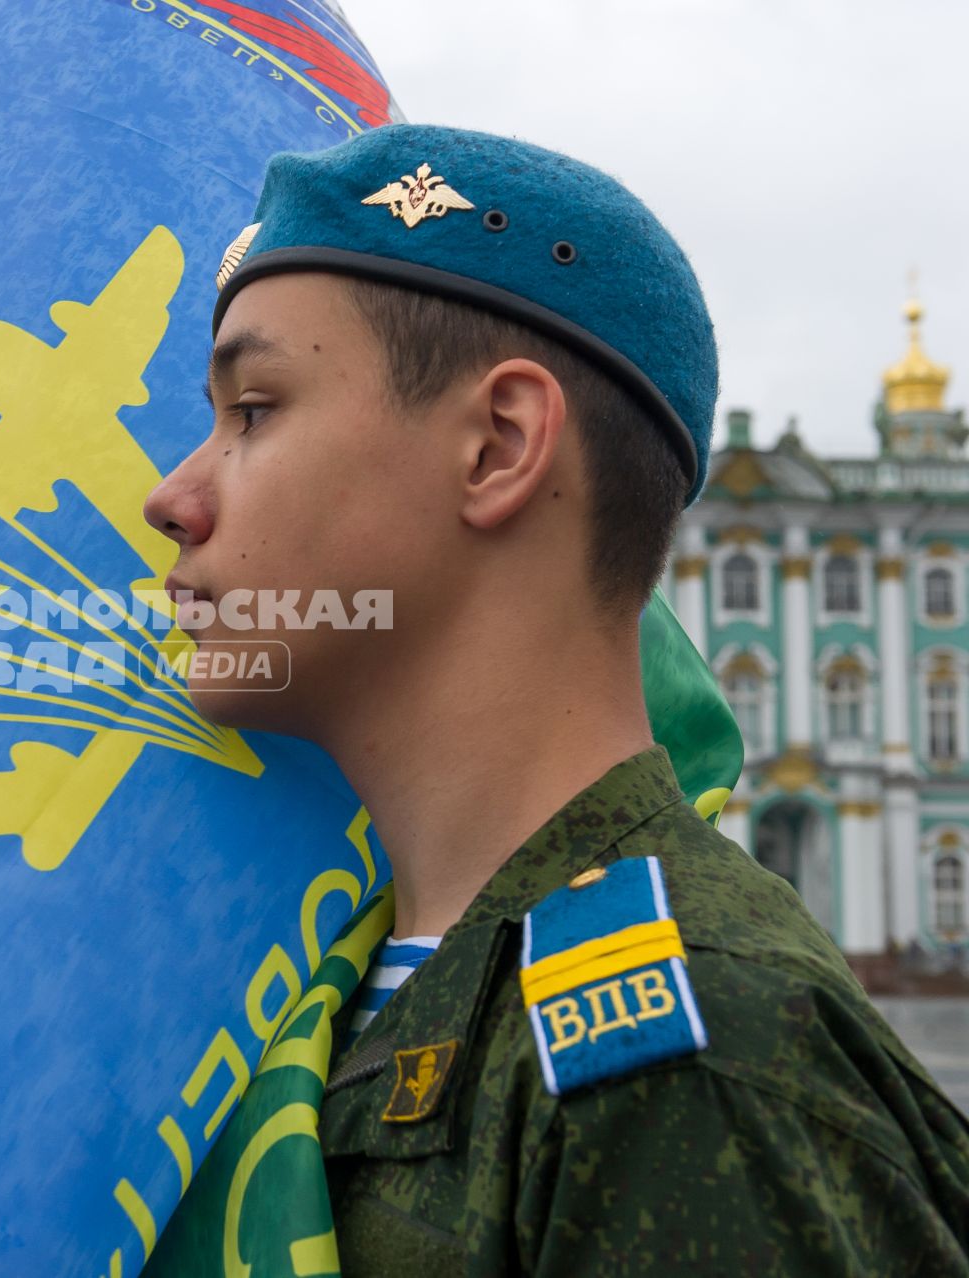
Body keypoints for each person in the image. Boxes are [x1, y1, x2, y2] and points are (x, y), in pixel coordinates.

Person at [142, 124, 969, 1272]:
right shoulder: (334, 985)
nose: (171, 497)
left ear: (498, 446)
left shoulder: (695, 1068)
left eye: (254, 411)